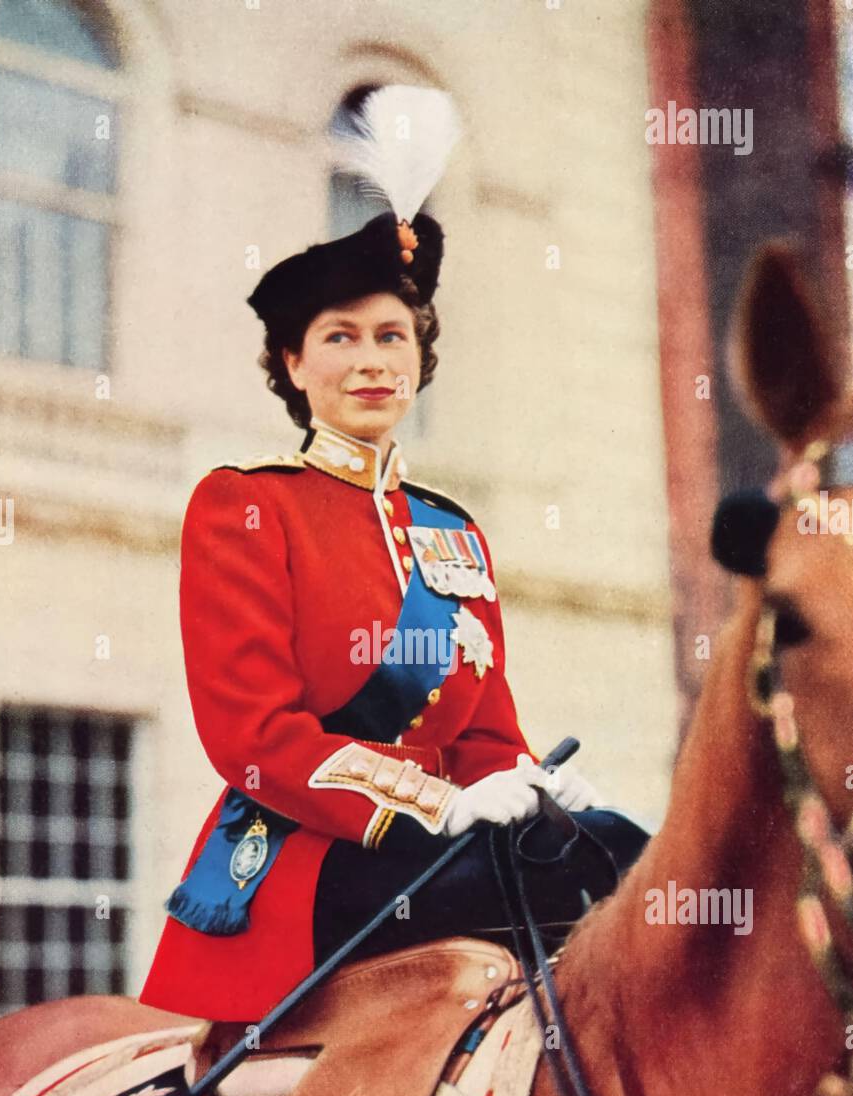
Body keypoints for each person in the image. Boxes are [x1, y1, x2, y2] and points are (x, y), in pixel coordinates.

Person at [139, 87, 648, 1024]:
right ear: (293, 365)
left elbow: (485, 732)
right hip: (305, 862)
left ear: (418, 358)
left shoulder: (452, 532)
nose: (371, 361)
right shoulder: (246, 506)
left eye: (391, 338)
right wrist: (436, 806)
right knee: (530, 879)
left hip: (451, 850)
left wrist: (533, 782)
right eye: (340, 338)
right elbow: (253, 741)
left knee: (622, 850)